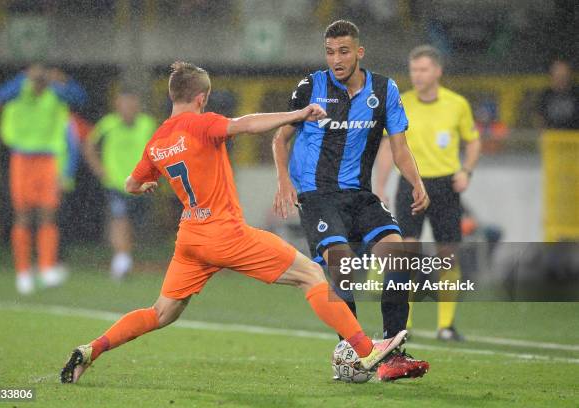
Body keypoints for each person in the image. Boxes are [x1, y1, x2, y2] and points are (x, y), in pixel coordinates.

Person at [60, 61, 408, 384]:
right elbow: (246, 125)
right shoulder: (202, 123)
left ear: (171, 95)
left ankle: (92, 349)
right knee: (312, 275)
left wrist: (147, 184)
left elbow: (131, 184)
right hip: (224, 234)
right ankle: (366, 350)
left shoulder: (158, 139)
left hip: (191, 240)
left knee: (161, 313)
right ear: (202, 97)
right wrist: (299, 113)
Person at [272, 20, 430, 382]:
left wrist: (417, 182)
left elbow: (400, 146)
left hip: (359, 195)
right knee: (342, 265)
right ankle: (356, 351)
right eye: (330, 52)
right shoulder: (311, 86)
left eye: (343, 51)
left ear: (359, 52)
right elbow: (280, 138)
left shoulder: (384, 89)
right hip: (317, 195)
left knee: (398, 254)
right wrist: (283, 181)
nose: (336, 59)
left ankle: (393, 352)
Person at [376, 45, 481, 341]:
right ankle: (402, 326)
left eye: (423, 69)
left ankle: (446, 326)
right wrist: (381, 186)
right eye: (413, 70)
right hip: (410, 185)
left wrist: (467, 170)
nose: (417, 75)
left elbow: (473, 141)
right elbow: (388, 147)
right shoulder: (400, 102)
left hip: (445, 185)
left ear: (437, 71)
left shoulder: (457, 104)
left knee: (448, 255)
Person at [0, 63, 86, 295]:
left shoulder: (54, 92)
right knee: (23, 215)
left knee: (48, 213)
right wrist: (22, 77)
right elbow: (0, 95)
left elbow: (79, 98)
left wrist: (61, 79)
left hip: (47, 159)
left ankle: (46, 267)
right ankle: (23, 272)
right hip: (22, 158)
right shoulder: (19, 90)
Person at [83, 91, 157, 279]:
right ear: (117, 106)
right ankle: (122, 259)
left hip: (141, 184)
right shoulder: (108, 125)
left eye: (131, 106)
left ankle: (124, 257)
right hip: (116, 183)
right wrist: (98, 168)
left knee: (132, 222)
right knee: (119, 218)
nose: (127, 110)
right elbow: (89, 145)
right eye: (123, 105)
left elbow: (159, 148)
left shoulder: (147, 125)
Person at [536, 60, 579, 129]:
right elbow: (540, 120)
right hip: (552, 137)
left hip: (575, 137)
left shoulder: (576, 94)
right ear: (551, 77)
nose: (561, 79)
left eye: (564, 76)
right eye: (558, 76)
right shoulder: (545, 95)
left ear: (570, 75)